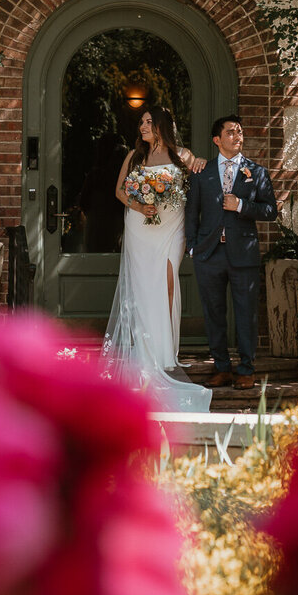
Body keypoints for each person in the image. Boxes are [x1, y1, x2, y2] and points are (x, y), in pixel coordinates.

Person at [104, 106, 211, 412]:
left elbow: (201, 175)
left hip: (172, 227)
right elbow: (120, 191)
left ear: (163, 125)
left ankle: (167, 351)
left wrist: (201, 162)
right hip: (141, 227)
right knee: (144, 286)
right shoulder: (135, 157)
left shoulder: (182, 155)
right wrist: (140, 207)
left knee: (167, 281)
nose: (143, 126)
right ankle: (148, 350)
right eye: (141, 122)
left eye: (149, 122)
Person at [185, 114, 278, 390]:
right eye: (231, 132)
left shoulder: (256, 172)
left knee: (246, 313)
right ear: (217, 139)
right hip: (208, 254)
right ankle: (222, 368)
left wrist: (241, 205)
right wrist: (192, 246)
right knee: (214, 313)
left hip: (243, 253)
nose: (238, 136)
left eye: (240, 132)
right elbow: (191, 212)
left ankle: (246, 369)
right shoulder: (202, 172)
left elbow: (270, 211)